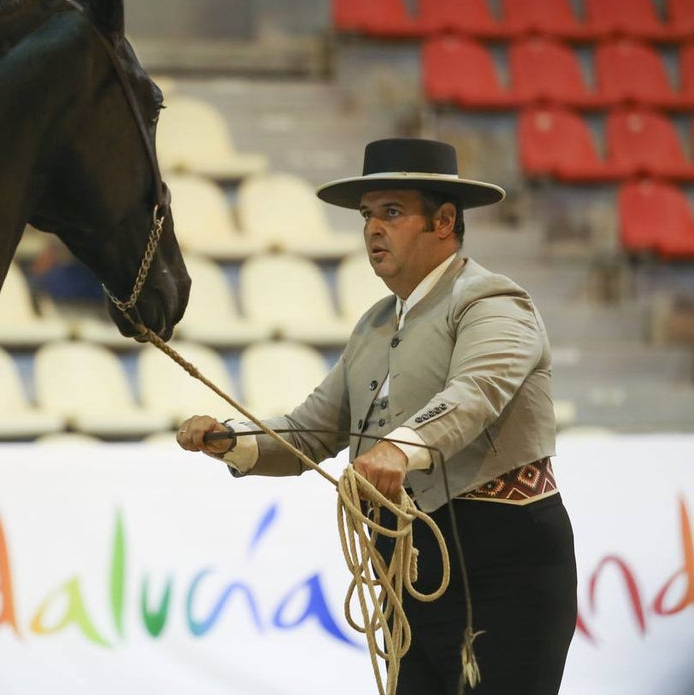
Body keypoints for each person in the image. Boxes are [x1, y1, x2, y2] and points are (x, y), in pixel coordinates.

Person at [176, 138, 577, 695]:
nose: (371, 230)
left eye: (391, 212)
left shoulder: (494, 301)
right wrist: (233, 441)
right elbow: (312, 429)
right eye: (367, 215)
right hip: (411, 567)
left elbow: (477, 390)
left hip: (502, 561)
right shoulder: (373, 325)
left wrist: (398, 447)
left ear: (443, 222)